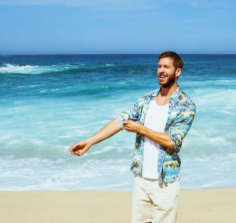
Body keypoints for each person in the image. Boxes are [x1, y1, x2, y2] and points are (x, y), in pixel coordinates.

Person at [70, 51, 196, 223]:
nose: (161, 70)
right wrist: (89, 141)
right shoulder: (146, 100)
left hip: (165, 181)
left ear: (178, 72)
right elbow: (119, 122)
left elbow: (173, 141)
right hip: (141, 177)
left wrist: (141, 129)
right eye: (159, 66)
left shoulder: (186, 105)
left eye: (166, 67)